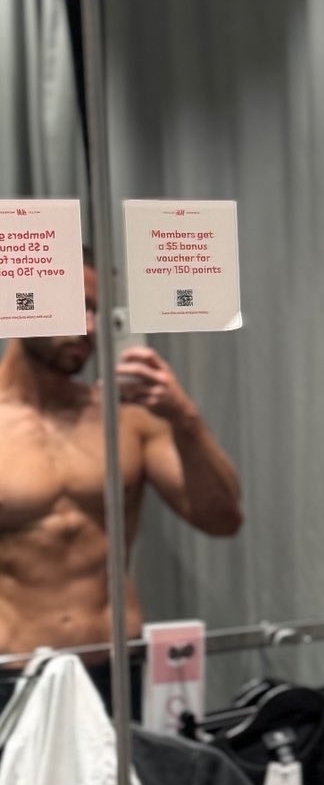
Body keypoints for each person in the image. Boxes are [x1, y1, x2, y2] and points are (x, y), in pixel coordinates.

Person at [0, 251, 243, 702]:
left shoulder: (127, 418)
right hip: (13, 675)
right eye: (76, 306)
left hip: (116, 670)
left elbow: (223, 519)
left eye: (96, 310)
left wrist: (184, 417)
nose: (89, 326)